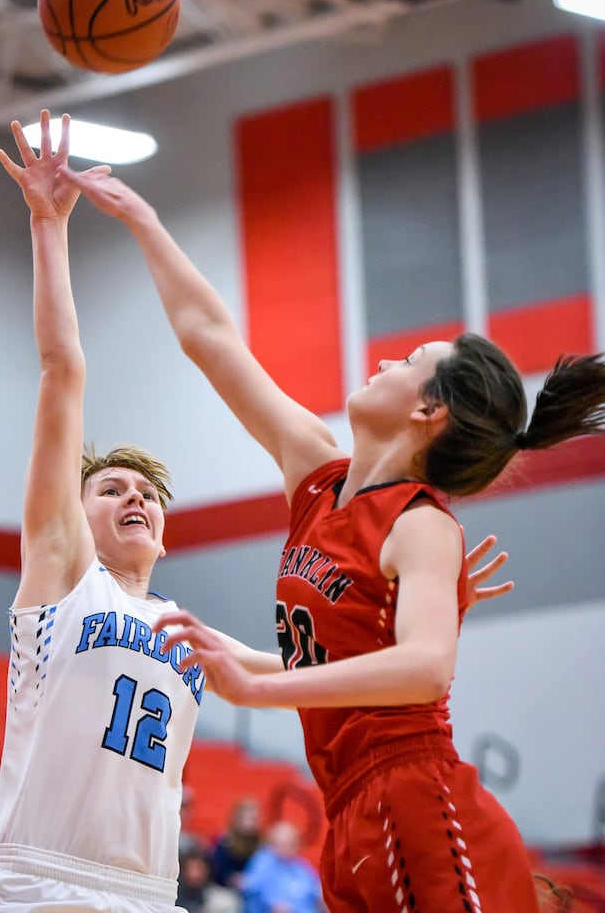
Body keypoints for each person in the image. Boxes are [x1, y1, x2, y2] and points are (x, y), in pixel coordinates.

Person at [62, 160, 605, 912]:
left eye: (410, 362)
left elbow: (423, 668)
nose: (386, 360)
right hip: (348, 810)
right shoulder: (319, 475)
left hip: (417, 797)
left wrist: (258, 686)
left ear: (428, 413)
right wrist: (142, 221)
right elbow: (210, 338)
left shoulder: (420, 525)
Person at [0, 111, 283, 913]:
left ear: (165, 535)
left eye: (147, 492)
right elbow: (62, 370)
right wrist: (47, 227)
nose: (135, 495)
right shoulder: (65, 578)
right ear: (73, 516)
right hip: (40, 883)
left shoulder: (188, 633)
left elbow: (312, 677)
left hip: (147, 894)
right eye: (112, 488)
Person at [240, 820, 323, 913]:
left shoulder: (301, 866)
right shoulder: (263, 862)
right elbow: (251, 888)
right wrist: (271, 904)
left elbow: (316, 890)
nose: (287, 847)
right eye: (282, 843)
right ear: (272, 843)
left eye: (291, 843)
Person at [210, 798, 263, 892]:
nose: (250, 824)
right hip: (224, 888)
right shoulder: (225, 841)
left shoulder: (260, 845)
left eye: (253, 819)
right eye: (246, 818)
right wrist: (231, 878)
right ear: (237, 819)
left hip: (250, 888)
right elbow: (217, 869)